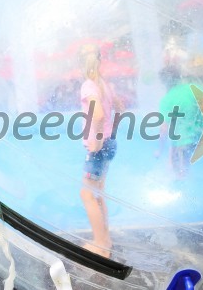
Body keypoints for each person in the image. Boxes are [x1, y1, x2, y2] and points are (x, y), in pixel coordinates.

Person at [78, 44, 124, 259]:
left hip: (98, 147)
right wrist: (110, 134)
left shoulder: (89, 85)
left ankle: (101, 246)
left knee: (87, 194)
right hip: (109, 142)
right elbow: (120, 109)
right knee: (97, 193)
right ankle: (105, 239)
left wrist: (96, 141)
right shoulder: (104, 85)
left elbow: (96, 115)